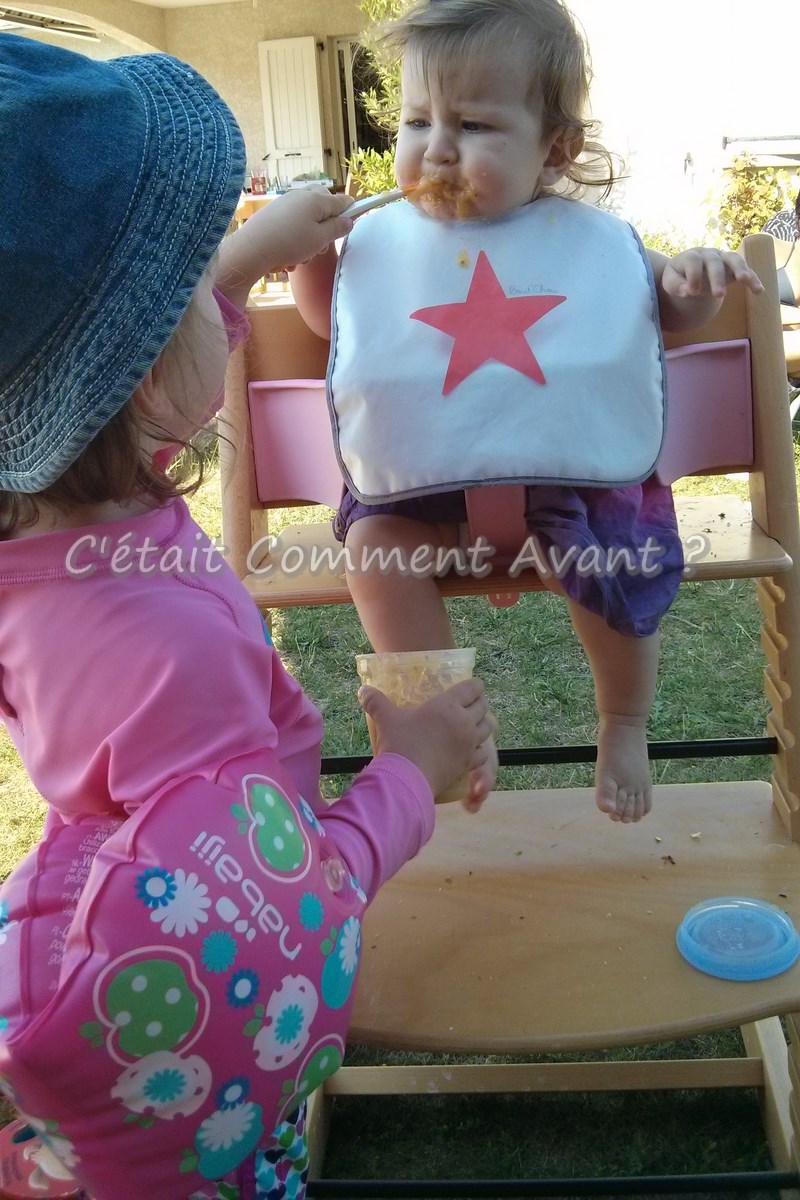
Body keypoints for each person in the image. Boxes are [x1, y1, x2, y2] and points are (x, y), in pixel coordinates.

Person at [0, 35, 495, 1200]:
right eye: (185, 290)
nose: (208, 306)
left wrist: (244, 261)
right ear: (131, 374)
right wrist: (407, 775)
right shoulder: (171, 656)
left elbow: (126, 410)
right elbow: (280, 893)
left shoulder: (44, 519)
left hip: (124, 865)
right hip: (182, 992)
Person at [290, 0, 764, 826]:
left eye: (473, 124)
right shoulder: (383, 243)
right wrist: (310, 257)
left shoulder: (593, 242)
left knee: (618, 566)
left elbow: (661, 313)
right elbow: (335, 321)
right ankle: (438, 725)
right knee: (374, 553)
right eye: (415, 120)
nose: (436, 146)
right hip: (419, 497)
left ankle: (624, 718)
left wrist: (687, 288)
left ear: (557, 147)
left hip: (571, 486)